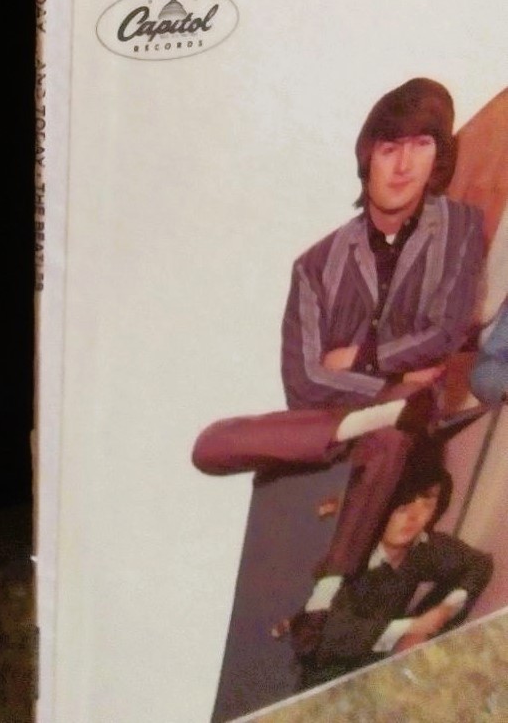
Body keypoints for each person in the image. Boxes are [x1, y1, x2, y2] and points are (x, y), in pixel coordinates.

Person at [193, 78, 485, 653]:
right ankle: (378, 417)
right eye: (389, 148)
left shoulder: (461, 228)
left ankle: (323, 595)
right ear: (366, 158)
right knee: (211, 445)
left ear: (438, 156)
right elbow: (303, 383)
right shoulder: (314, 265)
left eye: (421, 145)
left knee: (393, 440)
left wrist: (359, 358)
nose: (403, 165)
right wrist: (393, 378)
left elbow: (445, 333)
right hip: (330, 427)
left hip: (397, 425)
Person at [276, 446, 492, 672]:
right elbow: (324, 637)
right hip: (320, 674)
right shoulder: (342, 557)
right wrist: (409, 628)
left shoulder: (422, 547)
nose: (414, 517)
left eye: (426, 506)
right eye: (403, 506)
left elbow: (478, 565)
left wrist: (443, 610)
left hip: (384, 668)